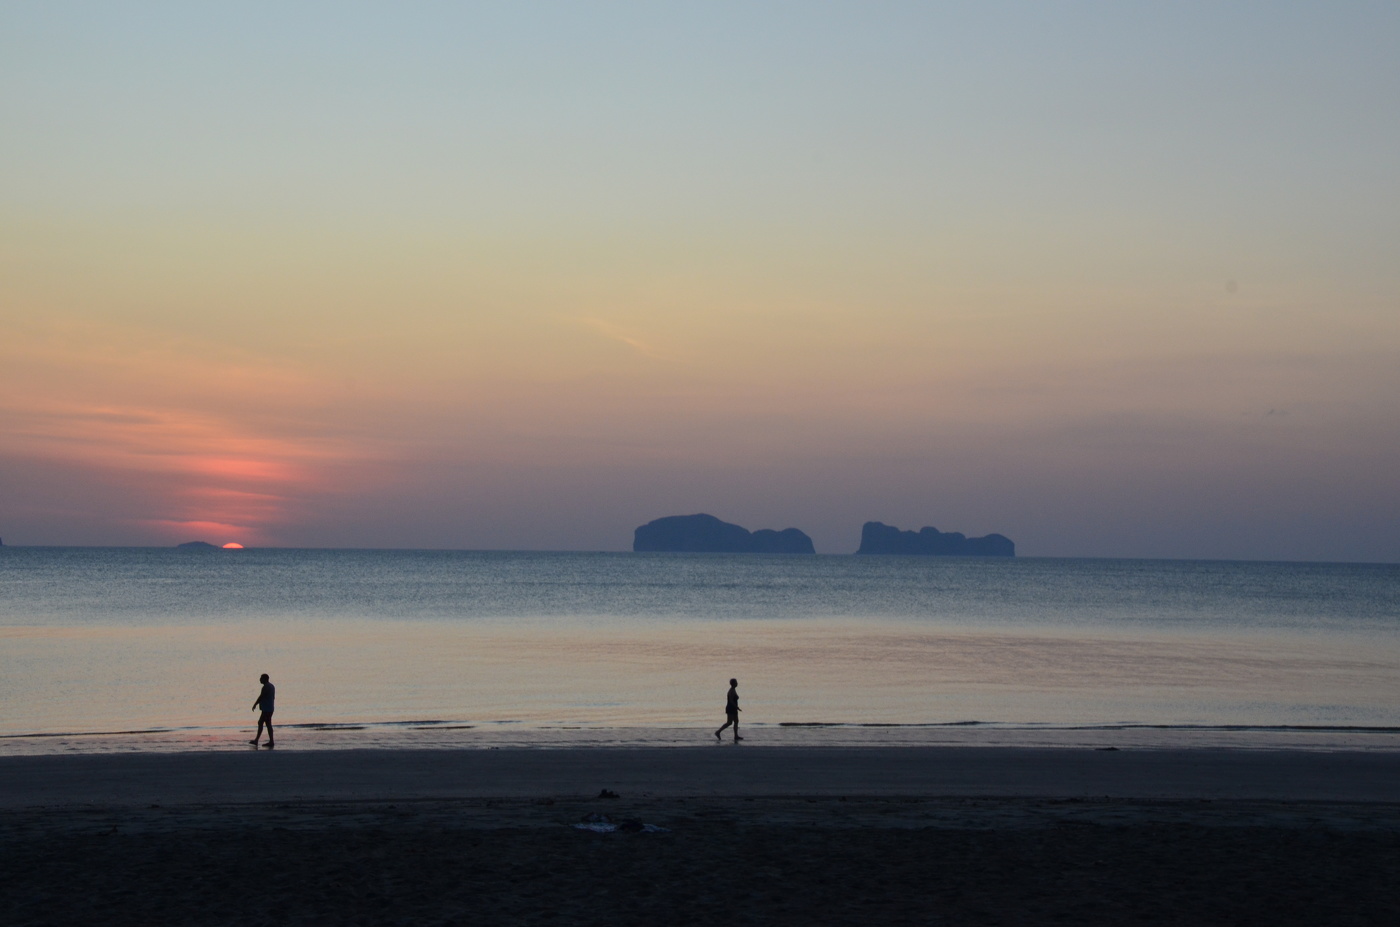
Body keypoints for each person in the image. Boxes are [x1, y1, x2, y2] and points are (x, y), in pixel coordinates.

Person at [250, 673, 275, 748]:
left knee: (262, 722)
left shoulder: (266, 687)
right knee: (267, 724)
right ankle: (269, 741)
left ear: (265, 679)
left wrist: (255, 704)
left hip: (267, 709)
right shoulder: (271, 686)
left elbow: (261, 696)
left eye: (261, 678)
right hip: (269, 708)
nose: (260, 680)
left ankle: (257, 740)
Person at [714, 678, 742, 742]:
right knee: (729, 722)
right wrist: (736, 707)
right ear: (733, 683)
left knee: (736, 721)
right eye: (736, 682)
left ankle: (736, 736)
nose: (737, 683)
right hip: (730, 708)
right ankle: (718, 732)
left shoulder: (734, 690)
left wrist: (736, 707)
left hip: (734, 708)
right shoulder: (731, 691)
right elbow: (731, 701)